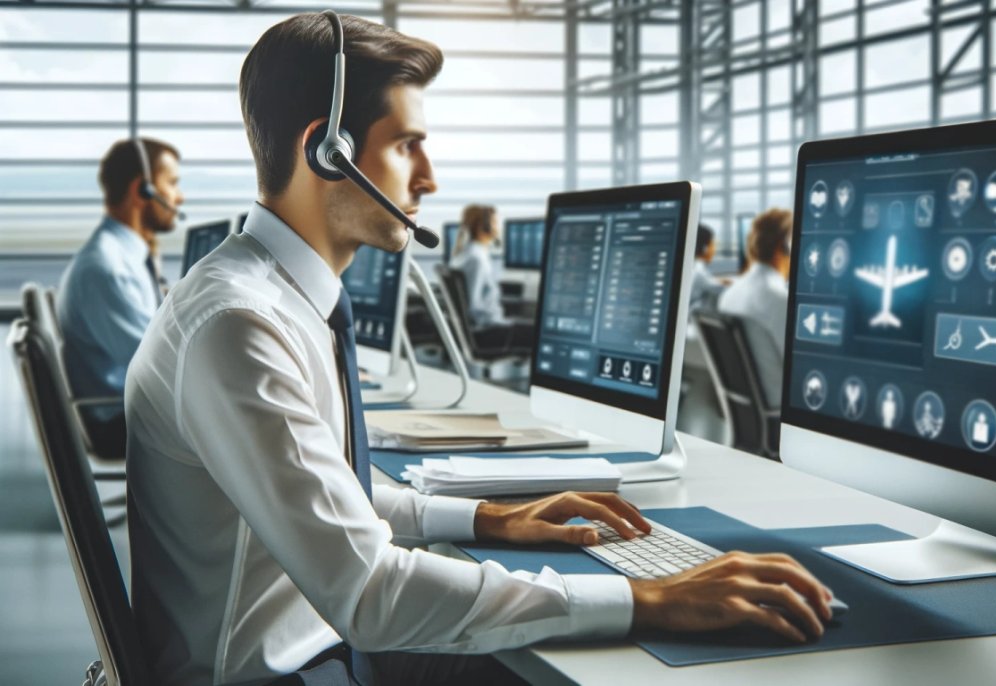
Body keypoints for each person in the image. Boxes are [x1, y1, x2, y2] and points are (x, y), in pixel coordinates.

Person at [125, 13, 833, 686]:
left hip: (320, 650)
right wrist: (649, 598)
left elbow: (333, 495)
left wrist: (489, 519)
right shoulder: (239, 324)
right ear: (329, 151)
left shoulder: (273, 298)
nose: (428, 177)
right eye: (407, 146)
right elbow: (370, 591)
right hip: (290, 673)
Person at [56, 137, 183, 458]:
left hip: (128, 410)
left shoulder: (123, 256)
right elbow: (158, 367)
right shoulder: (108, 269)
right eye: (172, 184)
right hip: (120, 421)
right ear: (143, 190)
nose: (179, 197)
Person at [717, 208, 793, 406]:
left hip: (746, 414)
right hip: (779, 413)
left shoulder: (729, 294)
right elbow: (799, 371)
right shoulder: (780, 301)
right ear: (782, 246)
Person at [449, 203, 535, 350]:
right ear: (485, 227)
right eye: (495, 222)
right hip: (487, 331)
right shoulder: (476, 259)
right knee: (542, 332)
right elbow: (474, 308)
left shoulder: (467, 254)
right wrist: (505, 322)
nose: (497, 227)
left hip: (486, 328)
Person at [689, 223, 727, 313]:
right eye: (713, 244)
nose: (714, 249)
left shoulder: (691, 267)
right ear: (705, 248)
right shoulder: (698, 272)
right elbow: (724, 290)